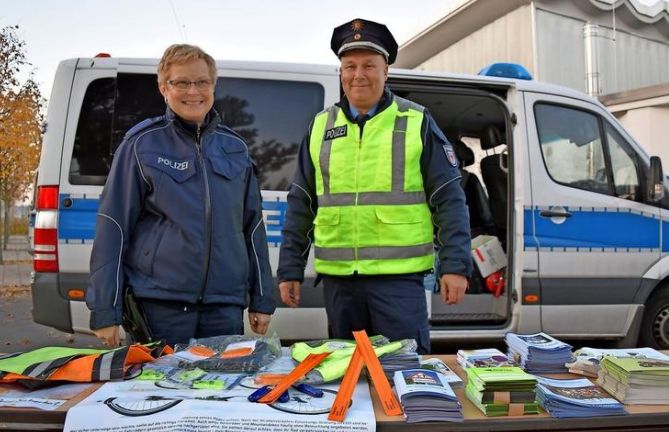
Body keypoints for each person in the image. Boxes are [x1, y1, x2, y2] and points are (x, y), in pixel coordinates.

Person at [277, 19, 472, 354]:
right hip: (339, 284)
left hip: (397, 282)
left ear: (386, 72)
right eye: (349, 66)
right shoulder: (321, 126)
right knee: (346, 374)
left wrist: (455, 265)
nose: (358, 74)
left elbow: (450, 200)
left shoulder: (415, 121)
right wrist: (290, 269)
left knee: (403, 374)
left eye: (369, 65)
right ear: (341, 73)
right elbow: (301, 203)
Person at [87, 44, 275, 347]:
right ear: (164, 87)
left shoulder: (236, 148)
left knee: (220, 392)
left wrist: (263, 298)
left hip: (224, 308)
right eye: (181, 83)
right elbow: (113, 227)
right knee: (157, 394)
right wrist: (105, 309)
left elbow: (253, 227)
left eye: (202, 82)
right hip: (161, 307)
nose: (193, 92)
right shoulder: (141, 145)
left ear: (213, 85)